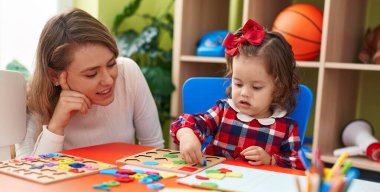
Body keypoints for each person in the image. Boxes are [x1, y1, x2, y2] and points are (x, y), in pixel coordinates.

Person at [16, 8, 164, 157]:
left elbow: (154, 150)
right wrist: (57, 125)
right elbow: (28, 175)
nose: (108, 80)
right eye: (91, 74)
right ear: (55, 76)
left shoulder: (127, 73)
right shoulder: (36, 100)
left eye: (111, 64)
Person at [170, 19, 304, 170]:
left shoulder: (286, 127)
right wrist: (187, 135)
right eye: (238, 84)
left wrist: (270, 160)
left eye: (256, 87)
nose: (244, 93)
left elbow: (298, 164)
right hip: (214, 183)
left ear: (278, 88)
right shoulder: (223, 111)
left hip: (256, 189)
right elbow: (186, 122)